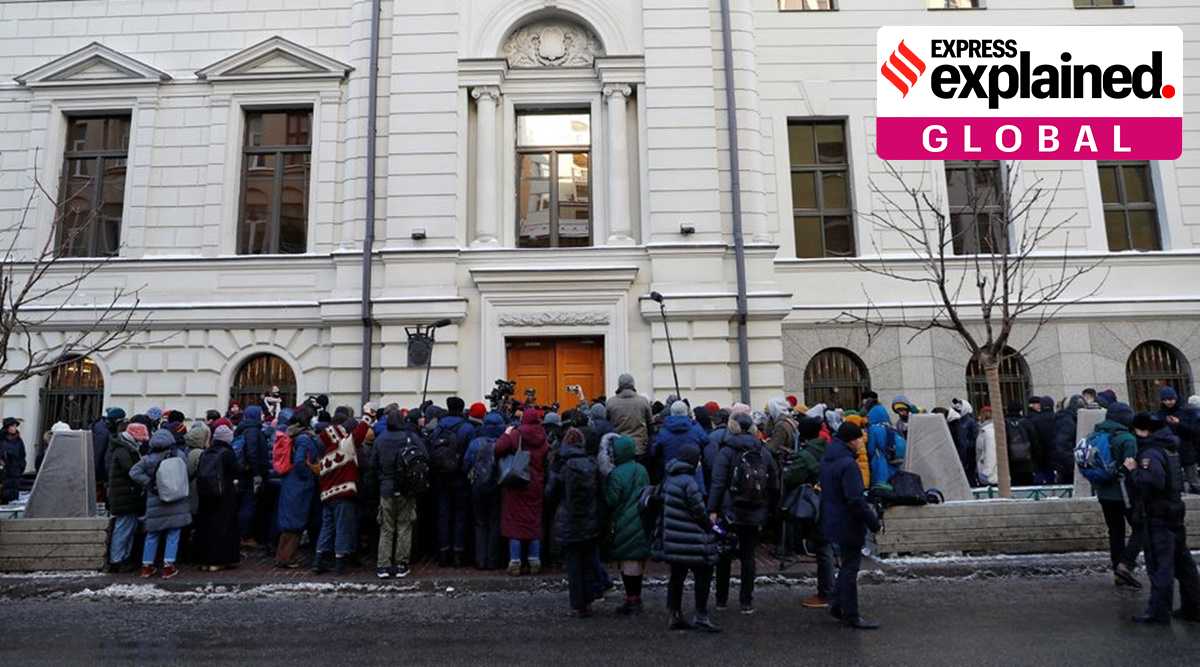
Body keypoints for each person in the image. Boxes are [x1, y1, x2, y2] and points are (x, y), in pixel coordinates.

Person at [1129, 414, 1200, 624]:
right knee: (1183, 563)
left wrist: (1133, 471)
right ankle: (1193, 607)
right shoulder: (1169, 447)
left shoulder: (1150, 452)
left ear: (1143, 430)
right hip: (1174, 510)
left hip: (1159, 514)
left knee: (1161, 564)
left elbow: (1153, 482)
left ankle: (1159, 611)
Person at [708, 413, 778, 614]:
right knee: (749, 556)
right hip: (756, 510)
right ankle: (746, 601)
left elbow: (718, 482)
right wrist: (770, 510)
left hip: (730, 510)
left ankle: (721, 600)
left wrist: (712, 509)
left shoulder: (727, 451)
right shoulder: (763, 451)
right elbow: (773, 482)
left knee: (724, 554)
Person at [820, 422, 882, 630]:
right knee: (850, 568)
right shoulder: (848, 464)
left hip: (832, 518)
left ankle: (838, 605)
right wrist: (873, 523)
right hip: (848, 522)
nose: (861, 443)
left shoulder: (829, 459)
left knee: (846, 565)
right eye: (859, 439)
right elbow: (855, 500)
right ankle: (851, 615)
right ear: (851, 440)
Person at [655, 443, 720, 633]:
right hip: (692, 540)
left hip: (674, 539)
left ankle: (674, 613)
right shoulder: (689, 483)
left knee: (676, 577)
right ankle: (701, 615)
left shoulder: (670, 479)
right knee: (703, 575)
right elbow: (699, 512)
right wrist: (713, 527)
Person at [546, 428, 602, 618]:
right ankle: (589, 599)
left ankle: (578, 604)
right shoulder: (592, 463)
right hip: (589, 518)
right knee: (587, 560)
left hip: (568, 519)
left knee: (573, 564)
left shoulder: (562, 465)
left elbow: (550, 493)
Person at [1089, 401, 1143, 588]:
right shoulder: (1127, 439)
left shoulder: (1096, 434)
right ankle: (1125, 565)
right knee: (1141, 528)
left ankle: (1117, 572)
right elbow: (1131, 469)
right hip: (1124, 494)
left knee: (1115, 531)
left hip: (1104, 493)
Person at [129, 429, 193, 579]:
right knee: (173, 533)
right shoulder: (179, 456)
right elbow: (188, 471)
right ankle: (168, 566)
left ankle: (147, 566)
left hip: (156, 500)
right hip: (177, 499)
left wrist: (150, 483)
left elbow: (133, 472)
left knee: (152, 534)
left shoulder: (148, 459)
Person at [370, 409, 426, 578]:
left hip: (386, 488)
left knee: (386, 528)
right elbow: (424, 456)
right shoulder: (409, 437)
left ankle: (383, 565)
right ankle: (401, 564)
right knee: (404, 527)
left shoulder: (380, 439)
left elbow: (373, 464)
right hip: (406, 489)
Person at [494, 408, 550, 575]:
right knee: (533, 523)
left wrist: (506, 433)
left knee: (515, 524)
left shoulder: (516, 434)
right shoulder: (543, 436)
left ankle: (515, 561)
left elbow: (498, 448)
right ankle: (534, 560)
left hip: (517, 483)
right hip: (536, 484)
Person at [606, 434, 651, 615]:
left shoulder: (616, 474)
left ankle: (631, 600)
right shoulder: (641, 469)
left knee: (627, 562)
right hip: (641, 518)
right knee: (637, 561)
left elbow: (611, 500)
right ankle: (636, 597)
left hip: (623, 520)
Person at [430, 397, 474, 567]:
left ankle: (443, 553)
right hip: (460, 477)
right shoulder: (467, 428)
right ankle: (458, 553)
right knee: (460, 515)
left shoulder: (438, 427)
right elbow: (470, 455)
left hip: (441, 476)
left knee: (443, 514)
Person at [311, 421, 359, 575]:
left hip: (327, 498)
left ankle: (319, 560)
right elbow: (360, 434)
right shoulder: (343, 449)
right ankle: (340, 563)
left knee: (327, 528)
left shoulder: (324, 458)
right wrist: (368, 415)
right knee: (342, 528)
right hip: (343, 496)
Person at [275, 409, 320, 568]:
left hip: (290, 482)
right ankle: (287, 558)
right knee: (295, 522)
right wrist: (308, 474)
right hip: (299, 484)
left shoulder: (292, 434)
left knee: (289, 521)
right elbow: (300, 461)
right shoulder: (304, 439)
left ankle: (282, 556)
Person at [194, 425, 241, 571]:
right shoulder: (227, 453)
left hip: (205, 494)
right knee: (223, 527)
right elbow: (236, 471)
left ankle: (203, 560)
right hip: (224, 495)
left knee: (205, 527)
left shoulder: (206, 452)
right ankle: (219, 560)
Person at [464, 411, 505, 570]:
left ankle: (480, 560)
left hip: (478, 487)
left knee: (480, 523)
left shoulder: (475, 443)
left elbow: (466, 464)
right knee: (495, 522)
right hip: (497, 486)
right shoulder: (503, 443)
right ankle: (493, 560)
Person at [105, 422, 147, 572]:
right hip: (124, 495)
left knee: (128, 528)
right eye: (141, 438)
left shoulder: (125, 448)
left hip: (127, 494)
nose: (142, 441)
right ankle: (117, 560)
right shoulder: (124, 450)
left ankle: (123, 558)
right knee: (123, 528)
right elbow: (132, 470)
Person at [234, 405, 270, 546]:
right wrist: (257, 473)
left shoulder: (242, 429)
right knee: (249, 504)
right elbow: (253, 453)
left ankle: (242, 534)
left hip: (242, 472)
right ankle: (245, 536)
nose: (262, 416)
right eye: (261, 413)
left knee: (244, 503)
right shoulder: (254, 431)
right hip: (250, 474)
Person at [652, 401, 707, 490]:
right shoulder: (695, 429)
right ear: (687, 412)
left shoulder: (664, 431)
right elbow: (705, 441)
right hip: (694, 478)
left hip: (671, 477)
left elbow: (654, 451)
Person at [1156, 386, 1200, 495]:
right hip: (1170, 450)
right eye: (1165, 400)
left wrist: (1178, 423)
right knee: (1175, 478)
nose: (1168, 402)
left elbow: (1194, 430)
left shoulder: (1186, 411)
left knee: (1193, 478)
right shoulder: (1161, 414)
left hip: (1187, 448)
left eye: (1171, 399)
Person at [606, 373, 654, 462]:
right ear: (633, 384)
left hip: (618, 446)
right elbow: (650, 425)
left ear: (619, 385)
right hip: (639, 448)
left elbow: (607, 423)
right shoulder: (643, 401)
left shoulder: (611, 402)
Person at [91, 408, 124, 502]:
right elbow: (98, 453)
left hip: (103, 470)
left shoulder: (103, 427)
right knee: (100, 497)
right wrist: (98, 473)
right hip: (102, 472)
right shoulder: (103, 431)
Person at [1053, 396, 1086, 484]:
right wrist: (1074, 465)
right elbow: (1063, 446)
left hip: (1069, 465)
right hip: (1068, 468)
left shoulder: (1070, 419)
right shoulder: (1067, 421)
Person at [1005, 400, 1037, 486]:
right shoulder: (1026, 422)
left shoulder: (1004, 423)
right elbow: (1034, 441)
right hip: (1027, 462)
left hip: (1010, 463)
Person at [1026, 395, 1057, 483]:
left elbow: (1033, 439)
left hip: (1040, 455)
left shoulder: (1034, 420)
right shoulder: (1058, 418)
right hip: (1055, 454)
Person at [951, 398, 979, 487]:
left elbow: (975, 438)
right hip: (961, 451)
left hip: (969, 452)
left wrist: (967, 446)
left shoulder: (970, 422)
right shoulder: (957, 421)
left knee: (969, 475)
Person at [1, 417, 25, 504]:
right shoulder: (1, 439)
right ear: (7, 427)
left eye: (15, 426)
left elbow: (22, 455)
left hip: (15, 473)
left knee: (13, 498)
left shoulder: (19, 440)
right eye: (13, 426)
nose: (15, 428)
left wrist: (21, 467)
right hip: (4, 473)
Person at [976, 406, 998, 486]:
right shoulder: (985, 429)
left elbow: (991, 452)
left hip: (990, 475)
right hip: (989, 472)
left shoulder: (988, 431)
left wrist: (986, 472)